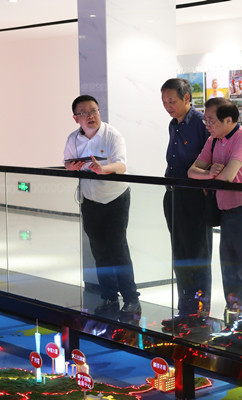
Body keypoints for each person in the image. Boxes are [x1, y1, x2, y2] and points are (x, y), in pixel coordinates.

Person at [189, 98, 242, 339]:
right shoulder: (213, 140)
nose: (207, 125)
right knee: (230, 270)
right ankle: (235, 321)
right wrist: (208, 173)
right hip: (226, 213)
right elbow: (192, 171)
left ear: (228, 120)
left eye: (211, 121)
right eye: (206, 120)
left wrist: (209, 173)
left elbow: (228, 176)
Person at [63, 94, 140, 319]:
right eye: (84, 113)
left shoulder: (112, 134)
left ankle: (131, 298)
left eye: (94, 111)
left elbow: (121, 165)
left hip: (115, 198)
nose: (90, 116)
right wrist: (71, 166)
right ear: (76, 118)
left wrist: (102, 169)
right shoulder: (73, 138)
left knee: (118, 247)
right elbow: (66, 162)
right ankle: (109, 296)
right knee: (99, 249)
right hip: (90, 199)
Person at [161, 78, 213, 333]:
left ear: (187, 98)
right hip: (174, 195)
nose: (167, 106)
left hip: (195, 197)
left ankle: (200, 314)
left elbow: (212, 156)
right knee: (180, 255)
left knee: (197, 255)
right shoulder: (174, 124)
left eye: (172, 101)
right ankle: (185, 311)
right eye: (164, 102)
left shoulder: (202, 123)